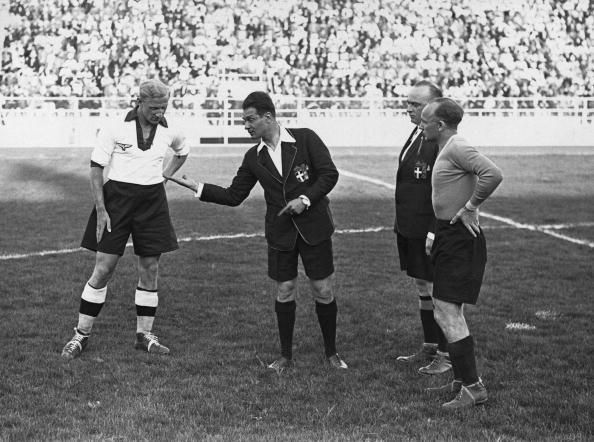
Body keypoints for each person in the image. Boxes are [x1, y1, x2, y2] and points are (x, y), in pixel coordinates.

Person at [165, 91, 348, 371]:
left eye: (250, 119)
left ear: (268, 117)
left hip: (315, 228)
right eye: (244, 121)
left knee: (322, 289)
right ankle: (286, 356)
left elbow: (329, 174)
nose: (246, 126)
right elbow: (234, 194)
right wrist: (198, 188)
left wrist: (305, 200)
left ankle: (332, 353)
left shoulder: (306, 138)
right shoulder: (254, 157)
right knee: (285, 290)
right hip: (280, 232)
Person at [61, 79, 189, 360]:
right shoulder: (115, 126)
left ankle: (144, 335)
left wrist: (163, 177)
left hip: (152, 202)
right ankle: (81, 335)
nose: (159, 113)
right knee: (104, 268)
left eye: (164, 107)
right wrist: (101, 208)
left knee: (150, 267)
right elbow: (96, 168)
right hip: (116, 200)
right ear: (139, 102)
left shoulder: (172, 128)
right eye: (154, 107)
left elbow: (183, 152)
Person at [419, 98, 503, 409]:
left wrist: (470, 207)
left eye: (425, 120)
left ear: (439, 125)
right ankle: (460, 381)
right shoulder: (448, 147)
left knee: (444, 310)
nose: (420, 124)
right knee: (450, 308)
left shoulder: (456, 146)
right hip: (447, 234)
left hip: (459, 237)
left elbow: (493, 173)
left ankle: (473, 388)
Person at [393, 80, 451, 376]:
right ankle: (430, 346)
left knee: (435, 288)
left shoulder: (440, 141)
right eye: (408, 103)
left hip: (427, 229)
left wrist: (432, 229)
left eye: (415, 104)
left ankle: (445, 353)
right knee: (422, 287)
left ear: (434, 106)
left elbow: (443, 192)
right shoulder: (416, 133)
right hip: (408, 226)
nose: (408, 108)